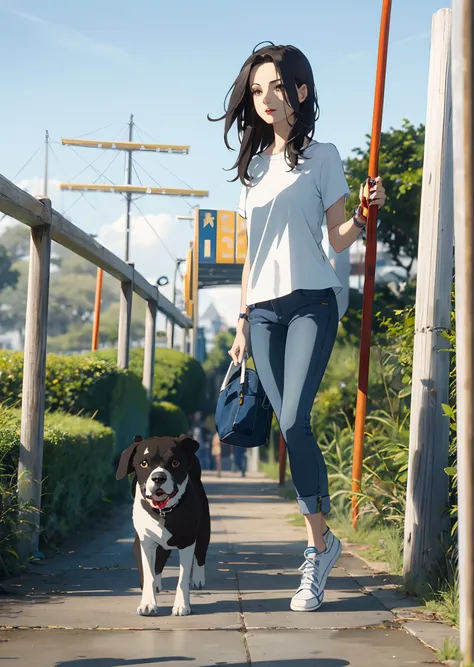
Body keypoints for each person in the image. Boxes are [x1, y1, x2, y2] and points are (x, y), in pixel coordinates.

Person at [209, 43, 385, 612]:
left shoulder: (325, 157)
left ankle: (314, 557)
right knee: (288, 432)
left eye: (277, 87)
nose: (266, 99)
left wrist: (362, 213)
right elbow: (250, 257)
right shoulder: (253, 169)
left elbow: (337, 239)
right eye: (257, 90)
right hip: (261, 311)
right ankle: (326, 543)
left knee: (293, 418)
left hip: (312, 302)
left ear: (301, 92)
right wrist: (240, 322)